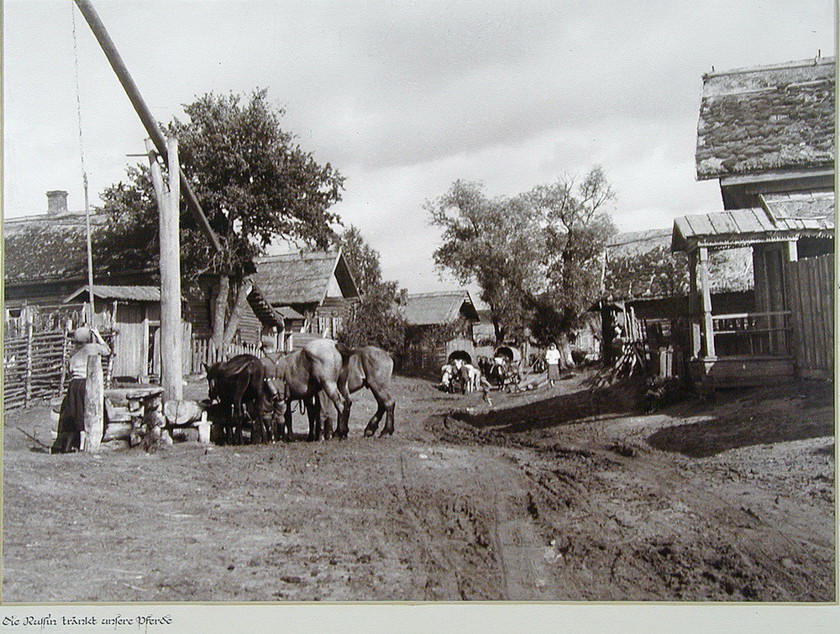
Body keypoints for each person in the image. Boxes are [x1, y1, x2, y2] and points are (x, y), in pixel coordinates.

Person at [51, 326, 111, 454]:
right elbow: (108, 350)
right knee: (88, 412)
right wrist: (98, 335)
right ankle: (86, 444)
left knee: (75, 414)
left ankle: (74, 445)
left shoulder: (73, 353)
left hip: (73, 384)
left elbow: (69, 370)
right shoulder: (92, 347)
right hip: (86, 382)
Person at [258, 334, 288, 442]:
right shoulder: (283, 361)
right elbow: (287, 378)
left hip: (267, 390)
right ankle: (281, 437)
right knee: (280, 414)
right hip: (281, 390)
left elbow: (260, 378)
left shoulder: (262, 362)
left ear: (266, 349)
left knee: (266, 413)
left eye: (263, 349)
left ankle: (271, 438)